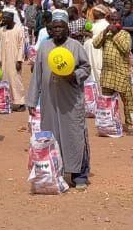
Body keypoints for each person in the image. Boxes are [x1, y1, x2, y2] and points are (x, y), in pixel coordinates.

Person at [28, 17, 93, 190]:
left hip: (70, 101)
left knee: (74, 135)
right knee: (52, 135)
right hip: (50, 101)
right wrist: (32, 100)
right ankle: (56, 172)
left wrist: (74, 75)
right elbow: (37, 75)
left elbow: (86, 68)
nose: (57, 30)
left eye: (61, 27)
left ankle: (80, 175)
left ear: (67, 29)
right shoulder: (44, 47)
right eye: (54, 27)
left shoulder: (75, 46)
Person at [93, 9, 133, 134]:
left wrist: (115, 34)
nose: (115, 22)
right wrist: (105, 32)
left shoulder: (124, 34)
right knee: (107, 101)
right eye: (112, 20)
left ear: (120, 22)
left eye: (117, 20)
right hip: (108, 74)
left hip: (121, 73)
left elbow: (126, 49)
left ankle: (130, 125)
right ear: (109, 21)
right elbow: (95, 44)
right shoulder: (106, 33)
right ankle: (109, 124)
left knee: (128, 101)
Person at [0, 10, 27, 111]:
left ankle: (20, 102)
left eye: (5, 18)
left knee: (16, 80)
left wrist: (19, 60)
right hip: (4, 60)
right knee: (5, 80)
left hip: (14, 60)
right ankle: (7, 102)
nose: (3, 20)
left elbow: (21, 46)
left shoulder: (18, 30)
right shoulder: (2, 30)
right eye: (3, 18)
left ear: (11, 19)